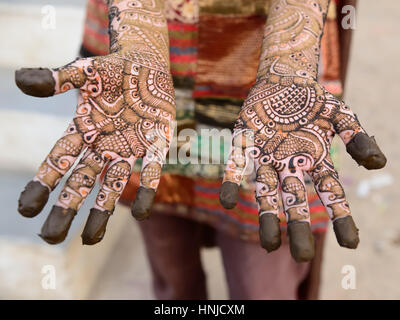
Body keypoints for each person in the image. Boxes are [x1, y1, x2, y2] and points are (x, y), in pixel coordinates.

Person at [17, 0, 385, 299]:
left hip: (262, 60)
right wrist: (139, 39)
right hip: (134, 69)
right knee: (169, 255)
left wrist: (288, 62)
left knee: (265, 272)